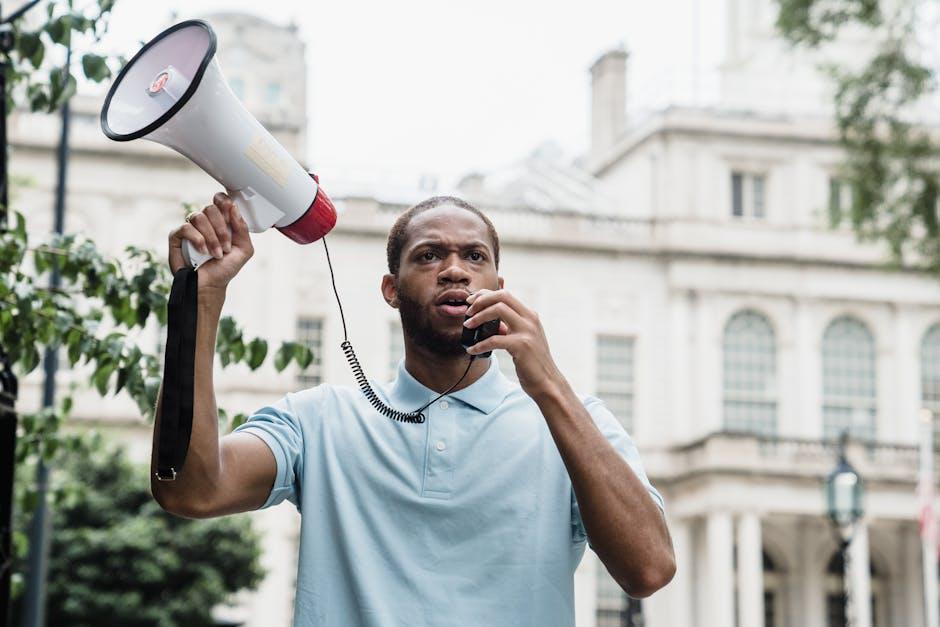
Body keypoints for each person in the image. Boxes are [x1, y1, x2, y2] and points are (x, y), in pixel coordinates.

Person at [152, 191, 676, 627]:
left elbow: (649, 570)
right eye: (428, 255)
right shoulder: (317, 421)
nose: (454, 270)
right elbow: (191, 488)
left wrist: (549, 387)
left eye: (475, 257)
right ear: (391, 290)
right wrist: (198, 301)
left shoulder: (575, 422)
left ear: (499, 287)